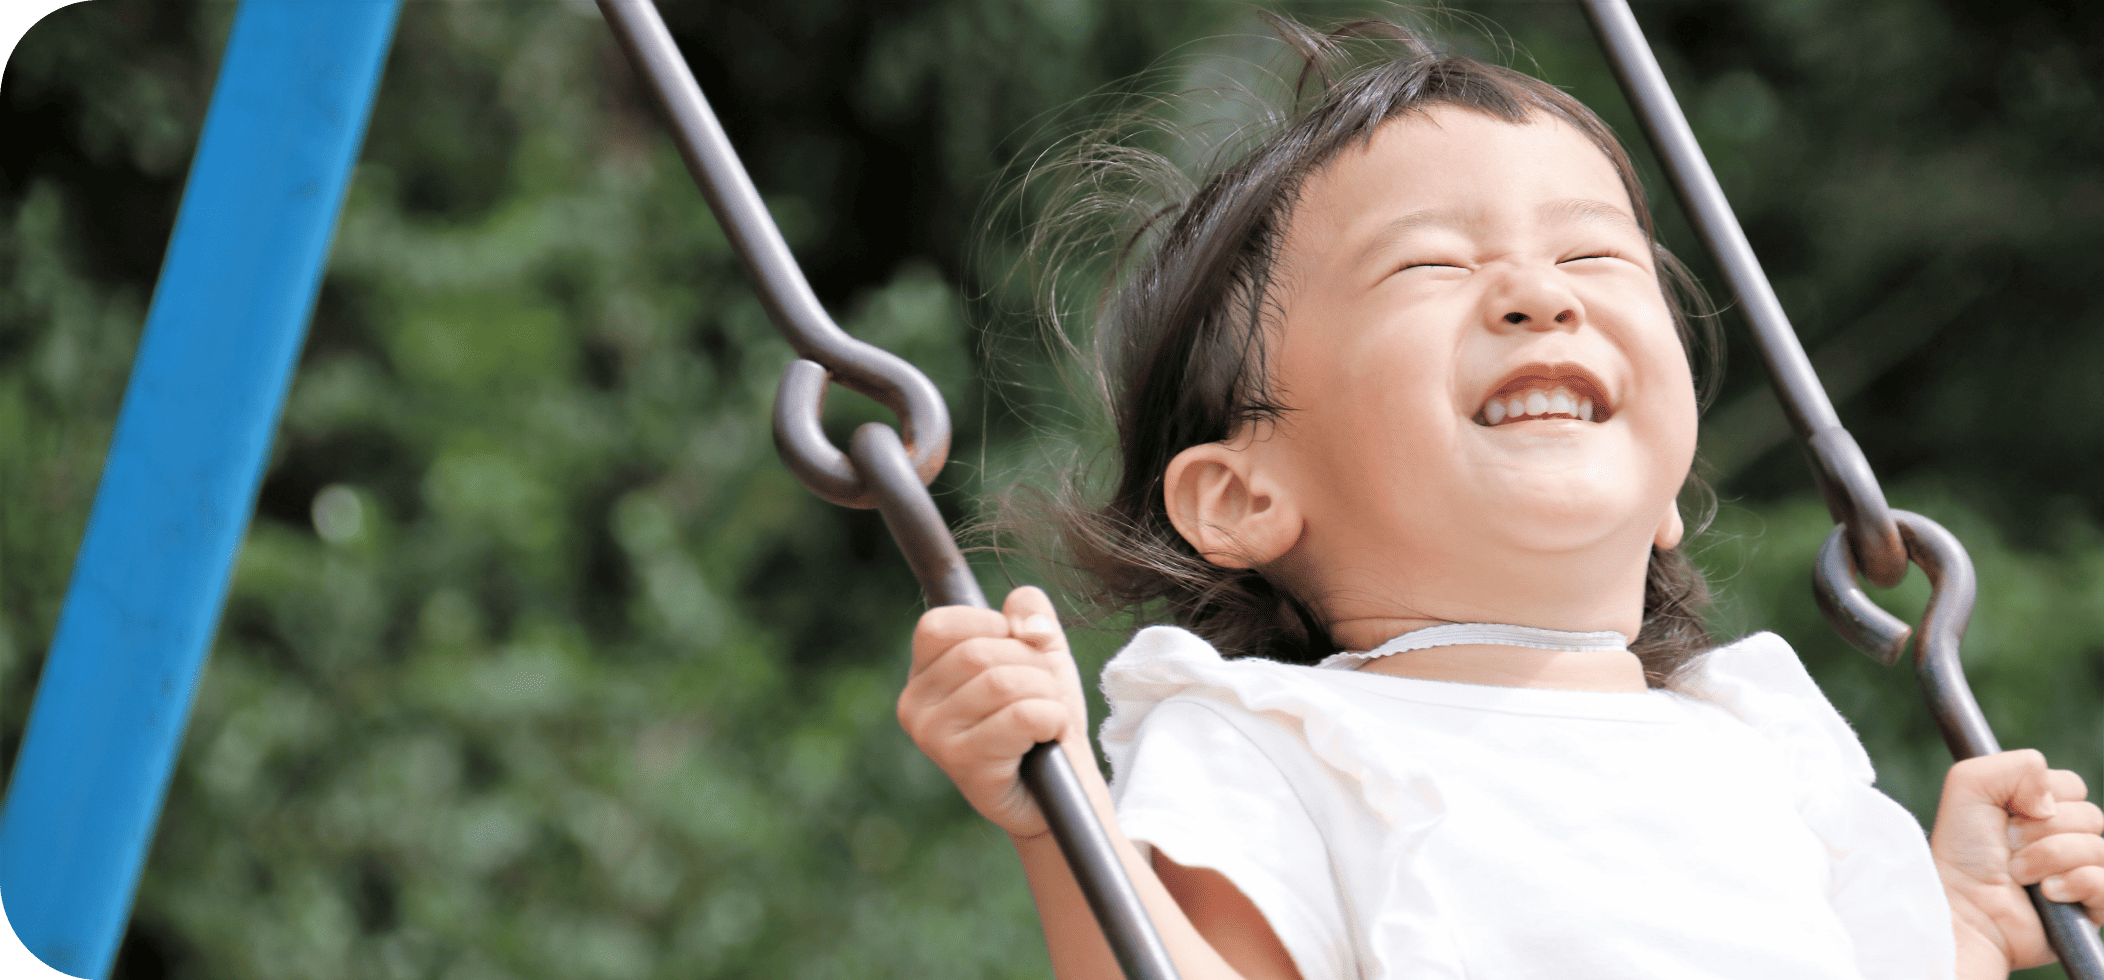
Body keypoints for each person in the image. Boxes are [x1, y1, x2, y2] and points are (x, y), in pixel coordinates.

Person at [894, 15, 2104, 980]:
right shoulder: (1268, 740)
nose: (1538, 293)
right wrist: (1062, 823)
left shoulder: (1757, 742)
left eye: (1592, 256)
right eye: (1429, 264)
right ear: (1242, 495)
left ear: (1669, 491)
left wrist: (1961, 925)